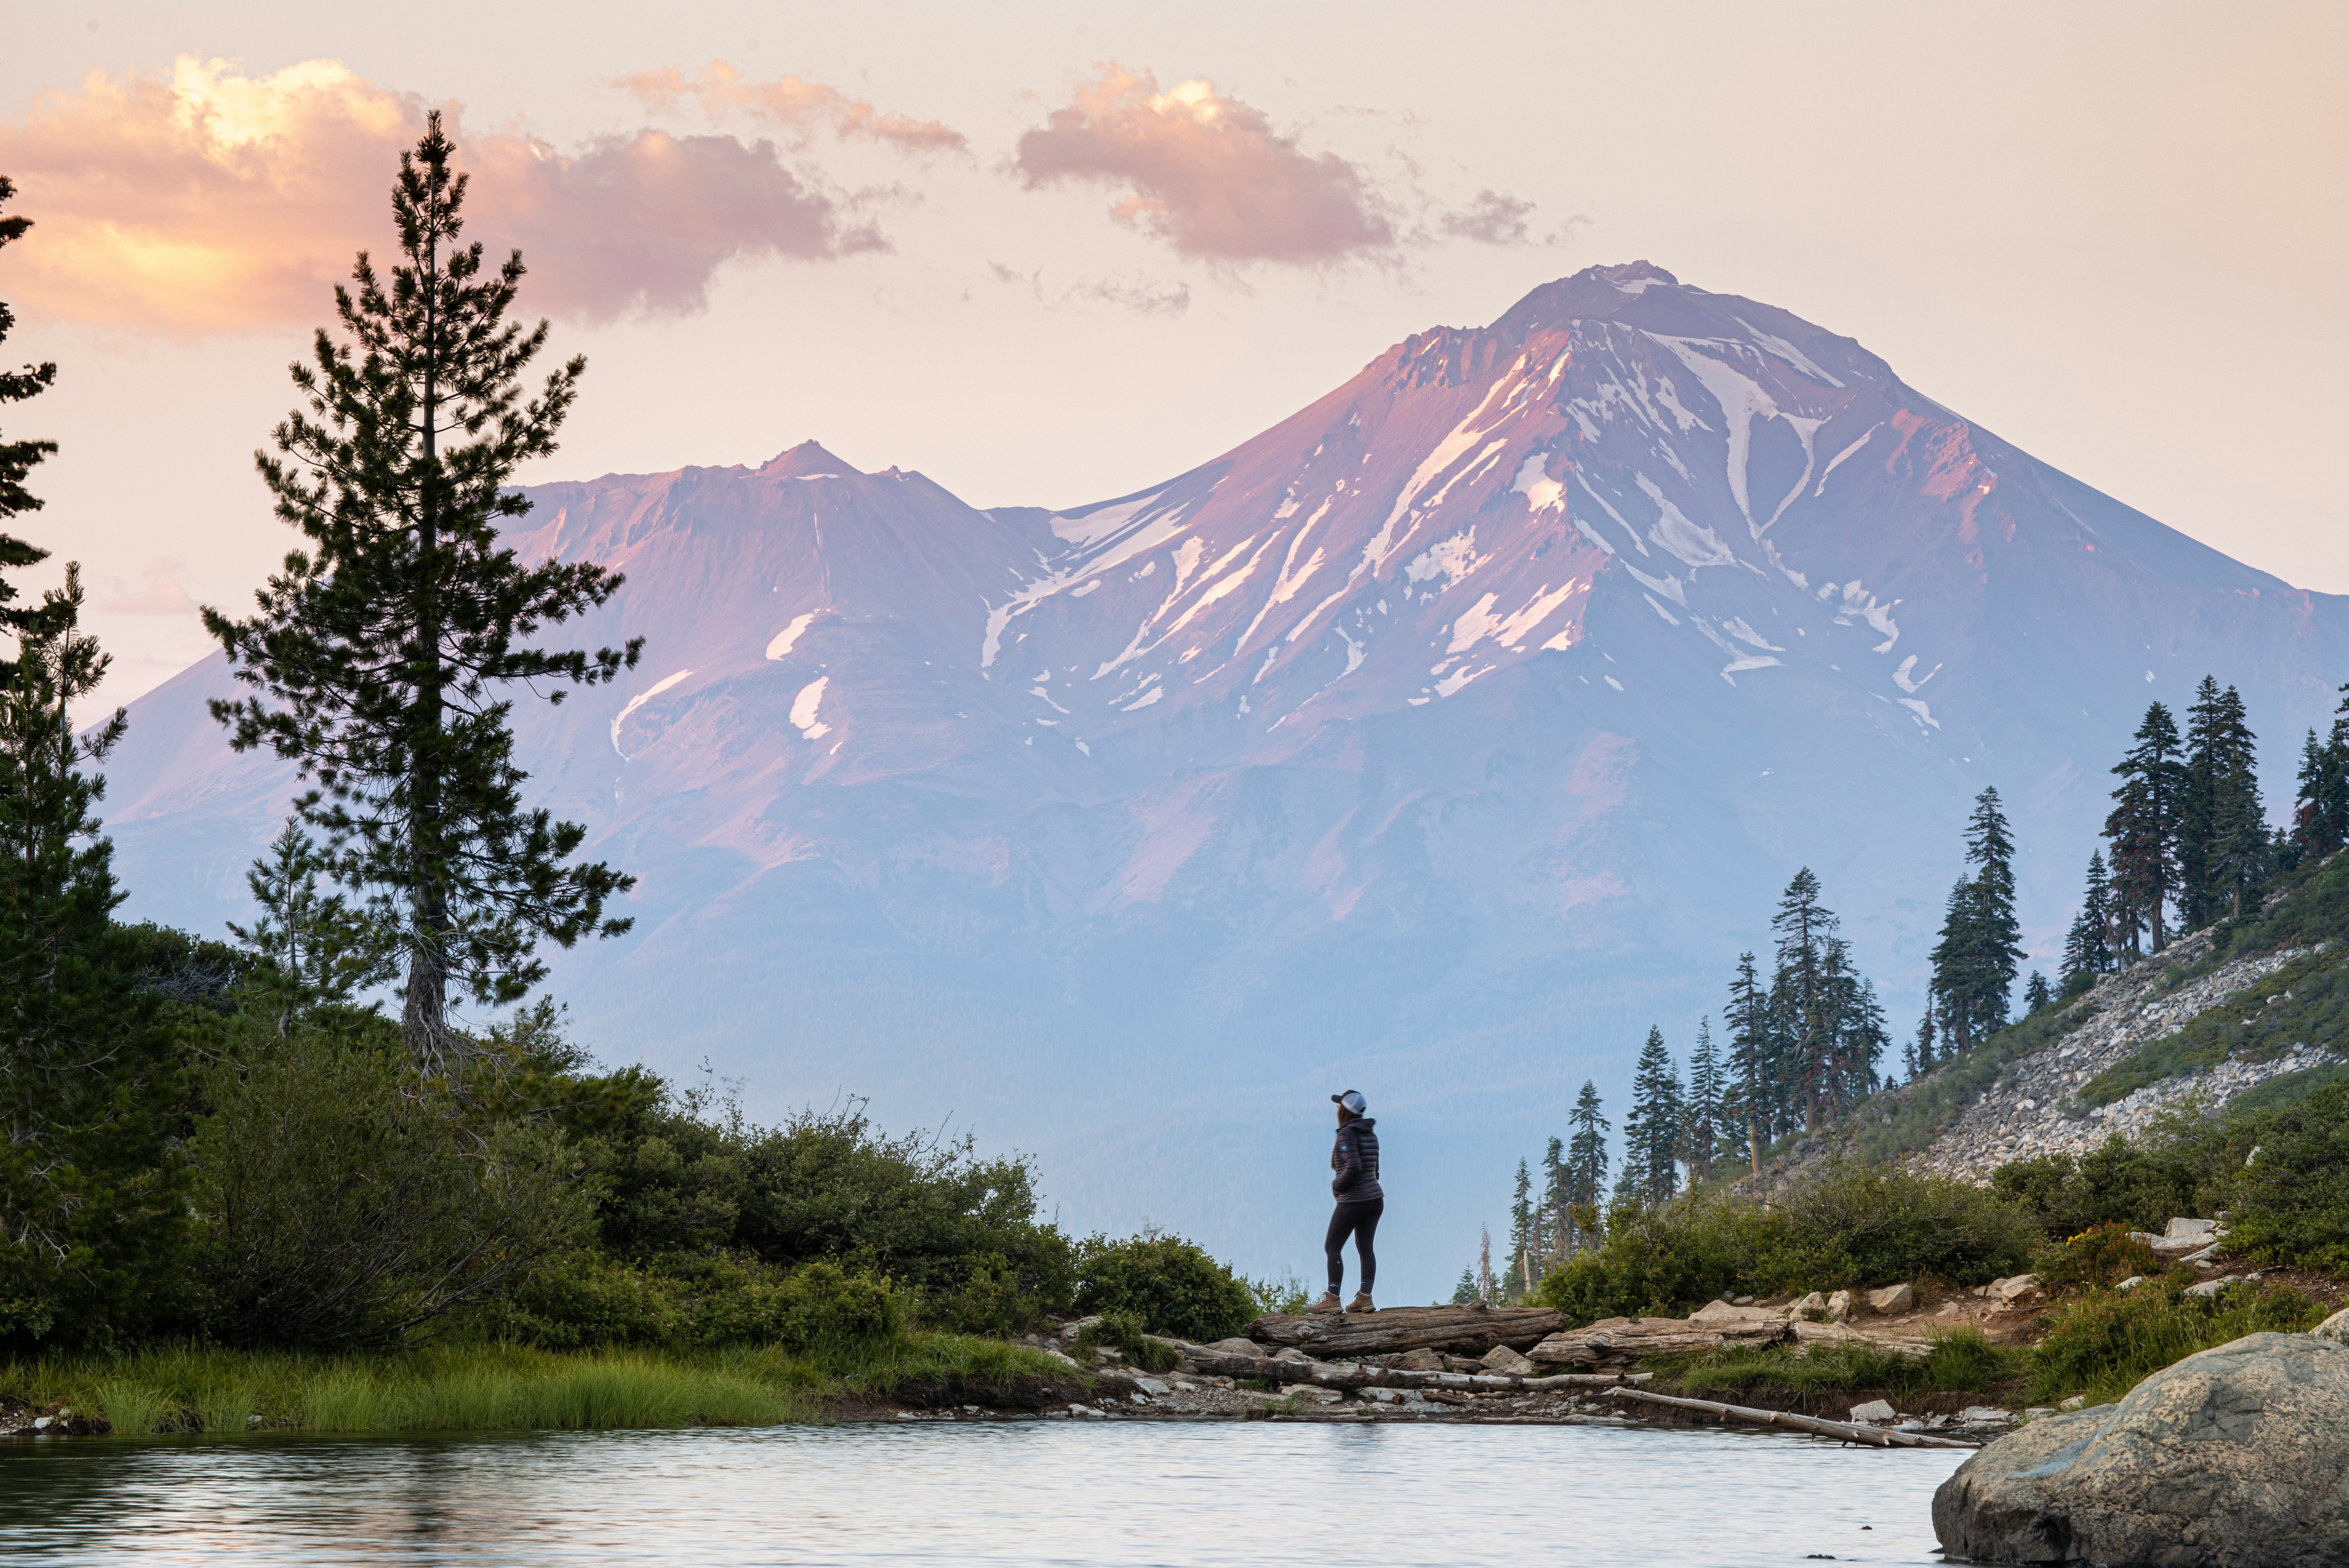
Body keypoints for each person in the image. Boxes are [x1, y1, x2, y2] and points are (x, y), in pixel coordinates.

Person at [1311, 1089, 1382, 1313]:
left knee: (1332, 1246)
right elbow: (1375, 1170)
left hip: (1355, 1200)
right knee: (1365, 1248)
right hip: (1375, 1199)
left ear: (1346, 1110)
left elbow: (1353, 1168)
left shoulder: (1346, 1136)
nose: (1336, 1108)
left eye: (1339, 1105)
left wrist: (1337, 1186)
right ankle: (1365, 1298)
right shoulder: (1370, 1134)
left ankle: (1332, 1300)